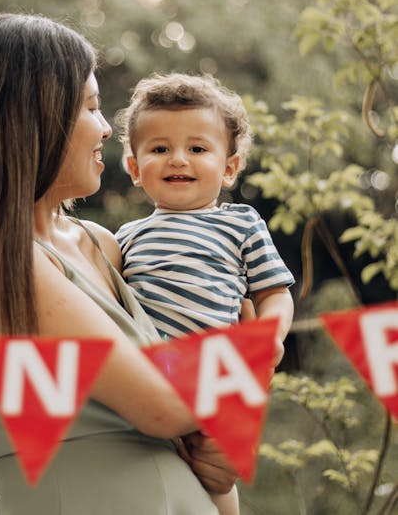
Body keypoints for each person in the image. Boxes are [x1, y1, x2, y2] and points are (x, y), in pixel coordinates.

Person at [0, 14, 237, 515]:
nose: (105, 129)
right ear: (26, 119)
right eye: (91, 107)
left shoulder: (102, 243)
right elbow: (165, 408)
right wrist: (255, 358)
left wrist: (217, 456)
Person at [115, 73, 296, 515]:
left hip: (213, 378)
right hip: (145, 387)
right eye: (160, 149)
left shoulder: (240, 223)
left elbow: (275, 292)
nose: (179, 159)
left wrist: (268, 336)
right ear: (135, 169)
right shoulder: (123, 236)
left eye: (197, 148)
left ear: (229, 167)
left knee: (216, 478)